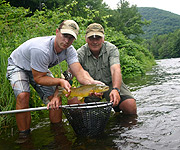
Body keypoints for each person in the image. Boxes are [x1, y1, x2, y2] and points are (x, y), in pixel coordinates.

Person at [6, 20, 103, 143]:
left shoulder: (70, 50)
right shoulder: (41, 49)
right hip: (18, 66)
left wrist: (93, 84)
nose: (67, 41)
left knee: (56, 99)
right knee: (23, 95)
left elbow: (79, 73)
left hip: (38, 69)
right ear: (57, 32)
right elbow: (38, 78)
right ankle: (24, 137)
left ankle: (57, 133)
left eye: (71, 38)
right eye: (64, 36)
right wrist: (60, 82)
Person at [76, 23, 137, 114]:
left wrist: (116, 89)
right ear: (86, 39)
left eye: (98, 38)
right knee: (73, 102)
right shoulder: (80, 53)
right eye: (91, 38)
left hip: (110, 84)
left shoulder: (111, 49)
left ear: (103, 39)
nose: (95, 41)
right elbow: (74, 71)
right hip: (89, 87)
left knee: (130, 105)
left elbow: (115, 69)